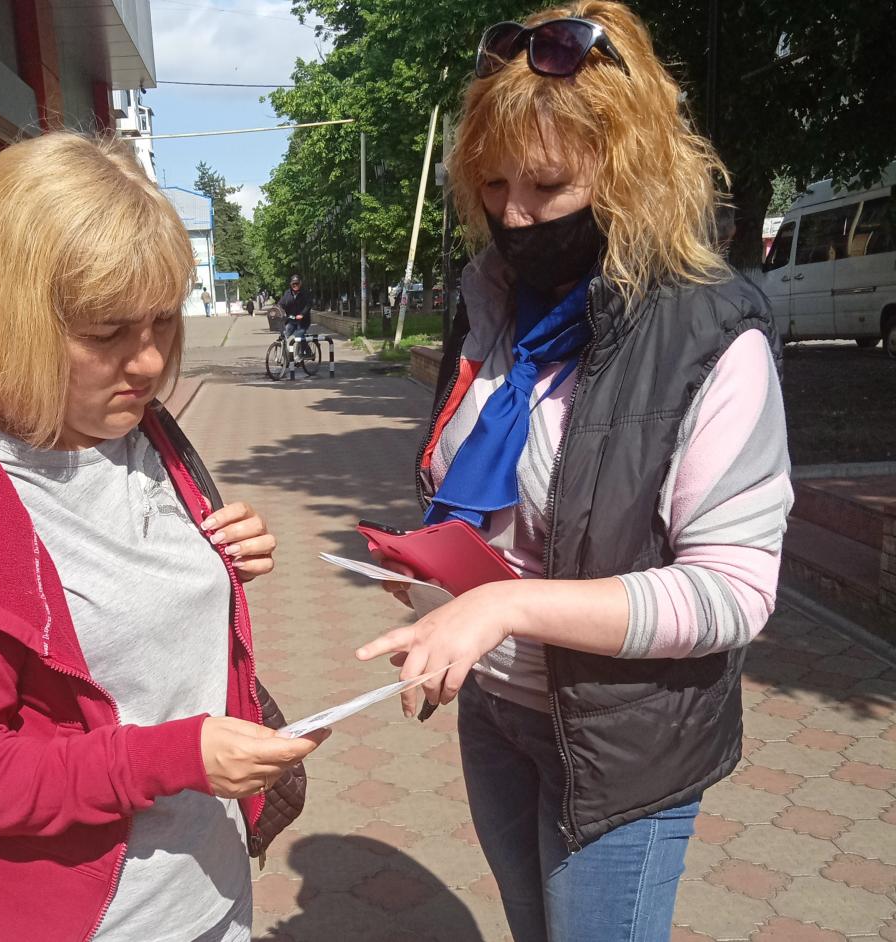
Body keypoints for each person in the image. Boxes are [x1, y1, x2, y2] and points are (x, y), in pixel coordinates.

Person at [356, 4, 791, 941]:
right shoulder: (489, 306)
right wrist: (439, 581)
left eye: (548, 185)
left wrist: (508, 606)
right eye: (493, 182)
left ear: (630, 173)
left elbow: (733, 593)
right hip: (495, 713)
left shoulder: (711, 336)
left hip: (621, 744)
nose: (513, 215)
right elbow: (484, 503)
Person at [0, 132, 327, 942]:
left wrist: (221, 559)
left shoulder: (142, 429)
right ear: (6, 323)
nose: (146, 362)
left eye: (161, 321)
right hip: (75, 921)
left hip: (208, 887)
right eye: (108, 332)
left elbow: (123, 605)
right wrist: (175, 757)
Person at [279, 275, 313, 356]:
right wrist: (276, 309)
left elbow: (309, 304)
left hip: (303, 322)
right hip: (292, 321)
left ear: (300, 283)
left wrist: (302, 314)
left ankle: (307, 352)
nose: (295, 285)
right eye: (293, 284)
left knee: (298, 336)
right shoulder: (287, 293)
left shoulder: (305, 293)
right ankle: (286, 356)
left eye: (297, 283)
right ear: (290, 284)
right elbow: (281, 303)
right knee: (284, 334)